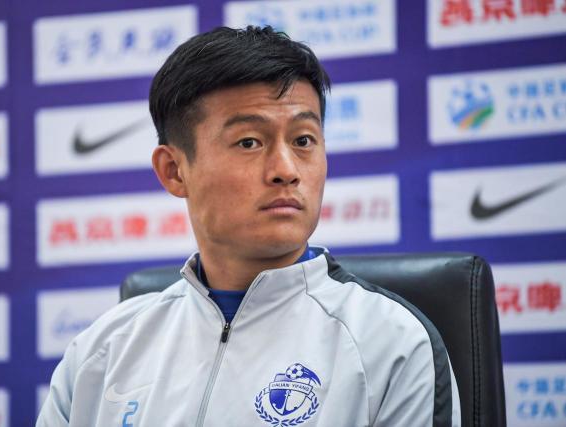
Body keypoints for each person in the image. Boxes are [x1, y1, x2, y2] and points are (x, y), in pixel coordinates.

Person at [37, 26, 461, 426]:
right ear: (174, 171)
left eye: (303, 140)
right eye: (249, 142)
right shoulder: (102, 352)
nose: (286, 170)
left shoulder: (391, 344)